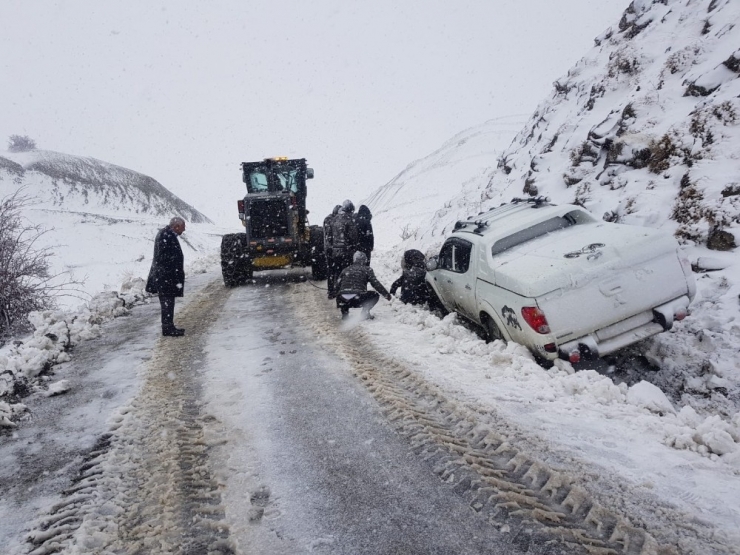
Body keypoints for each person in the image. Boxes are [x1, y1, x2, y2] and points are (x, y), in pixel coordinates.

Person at [145, 217, 186, 337]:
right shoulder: (166, 235)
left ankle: (169, 326)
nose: (183, 231)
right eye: (183, 228)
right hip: (165, 276)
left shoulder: (165, 234)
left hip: (165, 275)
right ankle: (167, 328)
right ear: (176, 226)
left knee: (168, 302)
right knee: (167, 302)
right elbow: (165, 257)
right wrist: (174, 269)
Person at [336, 251, 391, 320]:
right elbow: (375, 284)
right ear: (364, 260)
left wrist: (333, 294)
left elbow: (337, 284)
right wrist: (385, 294)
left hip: (342, 300)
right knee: (375, 295)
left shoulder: (345, 269)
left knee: (343, 294)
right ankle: (365, 313)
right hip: (358, 299)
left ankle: (345, 313)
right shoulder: (367, 270)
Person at [329, 200, 359, 297]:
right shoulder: (349, 220)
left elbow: (329, 236)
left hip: (335, 251)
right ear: (350, 210)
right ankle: (347, 293)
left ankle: (337, 292)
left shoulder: (335, 219)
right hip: (346, 252)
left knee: (337, 273)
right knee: (347, 273)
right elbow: (353, 237)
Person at [323, 204, 342, 299]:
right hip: (331, 250)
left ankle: (333, 290)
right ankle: (332, 291)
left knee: (332, 270)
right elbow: (329, 236)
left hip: (331, 249)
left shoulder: (328, 219)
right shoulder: (330, 220)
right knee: (333, 270)